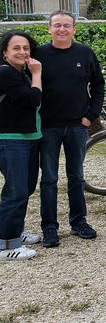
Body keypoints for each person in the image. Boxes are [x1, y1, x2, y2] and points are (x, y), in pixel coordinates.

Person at [35, 10, 105, 248]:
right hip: (48, 128)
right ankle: (49, 227)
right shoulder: (38, 55)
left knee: (76, 176)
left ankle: (78, 222)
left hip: (77, 126)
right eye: (57, 25)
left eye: (67, 25)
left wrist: (90, 116)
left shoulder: (85, 53)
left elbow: (98, 85)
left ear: (75, 29)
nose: (62, 29)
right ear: (49, 28)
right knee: (49, 179)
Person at [0, 31, 43, 261]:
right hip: (11, 138)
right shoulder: (5, 72)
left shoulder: (19, 73)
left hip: (28, 137)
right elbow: (33, 99)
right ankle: (7, 245)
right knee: (15, 191)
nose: (22, 52)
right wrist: (36, 74)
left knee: (25, 188)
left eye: (25, 48)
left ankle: (15, 231)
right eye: (16, 48)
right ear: (5, 52)